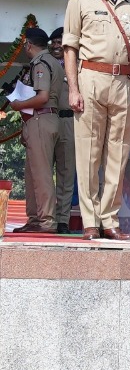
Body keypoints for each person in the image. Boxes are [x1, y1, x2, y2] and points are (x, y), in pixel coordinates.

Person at [62, 0, 130, 241]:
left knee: (119, 153)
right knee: (88, 152)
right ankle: (90, 221)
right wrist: (73, 88)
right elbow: (70, 48)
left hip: (125, 83)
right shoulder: (80, 0)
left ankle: (109, 219)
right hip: (91, 78)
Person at [11, 27, 74, 234]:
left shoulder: (41, 63)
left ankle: (46, 221)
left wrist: (18, 104)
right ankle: (36, 219)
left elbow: (42, 97)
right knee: (33, 174)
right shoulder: (52, 63)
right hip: (44, 119)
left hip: (42, 117)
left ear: (29, 44)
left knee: (42, 174)